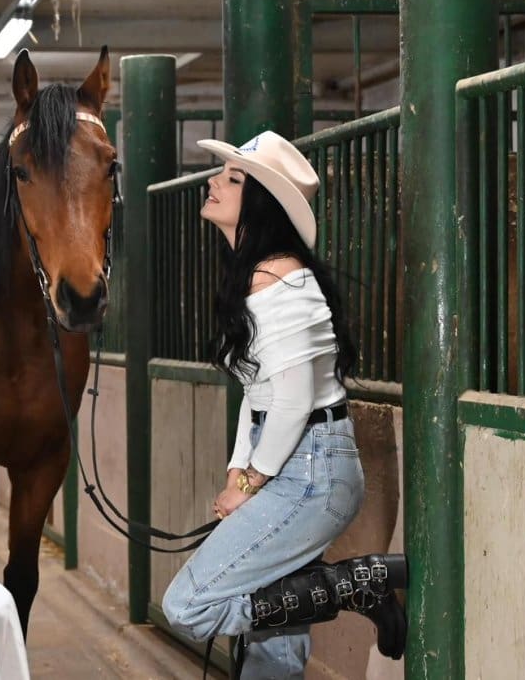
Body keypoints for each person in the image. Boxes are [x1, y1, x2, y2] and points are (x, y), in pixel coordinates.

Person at [160, 131, 407, 679]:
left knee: (187, 604)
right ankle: (345, 589)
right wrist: (237, 472)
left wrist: (249, 482)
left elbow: (294, 403)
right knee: (274, 648)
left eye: (232, 178)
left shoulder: (279, 278)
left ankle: (352, 587)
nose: (214, 182)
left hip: (312, 470)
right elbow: (259, 395)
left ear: (262, 203)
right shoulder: (261, 277)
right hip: (296, 466)